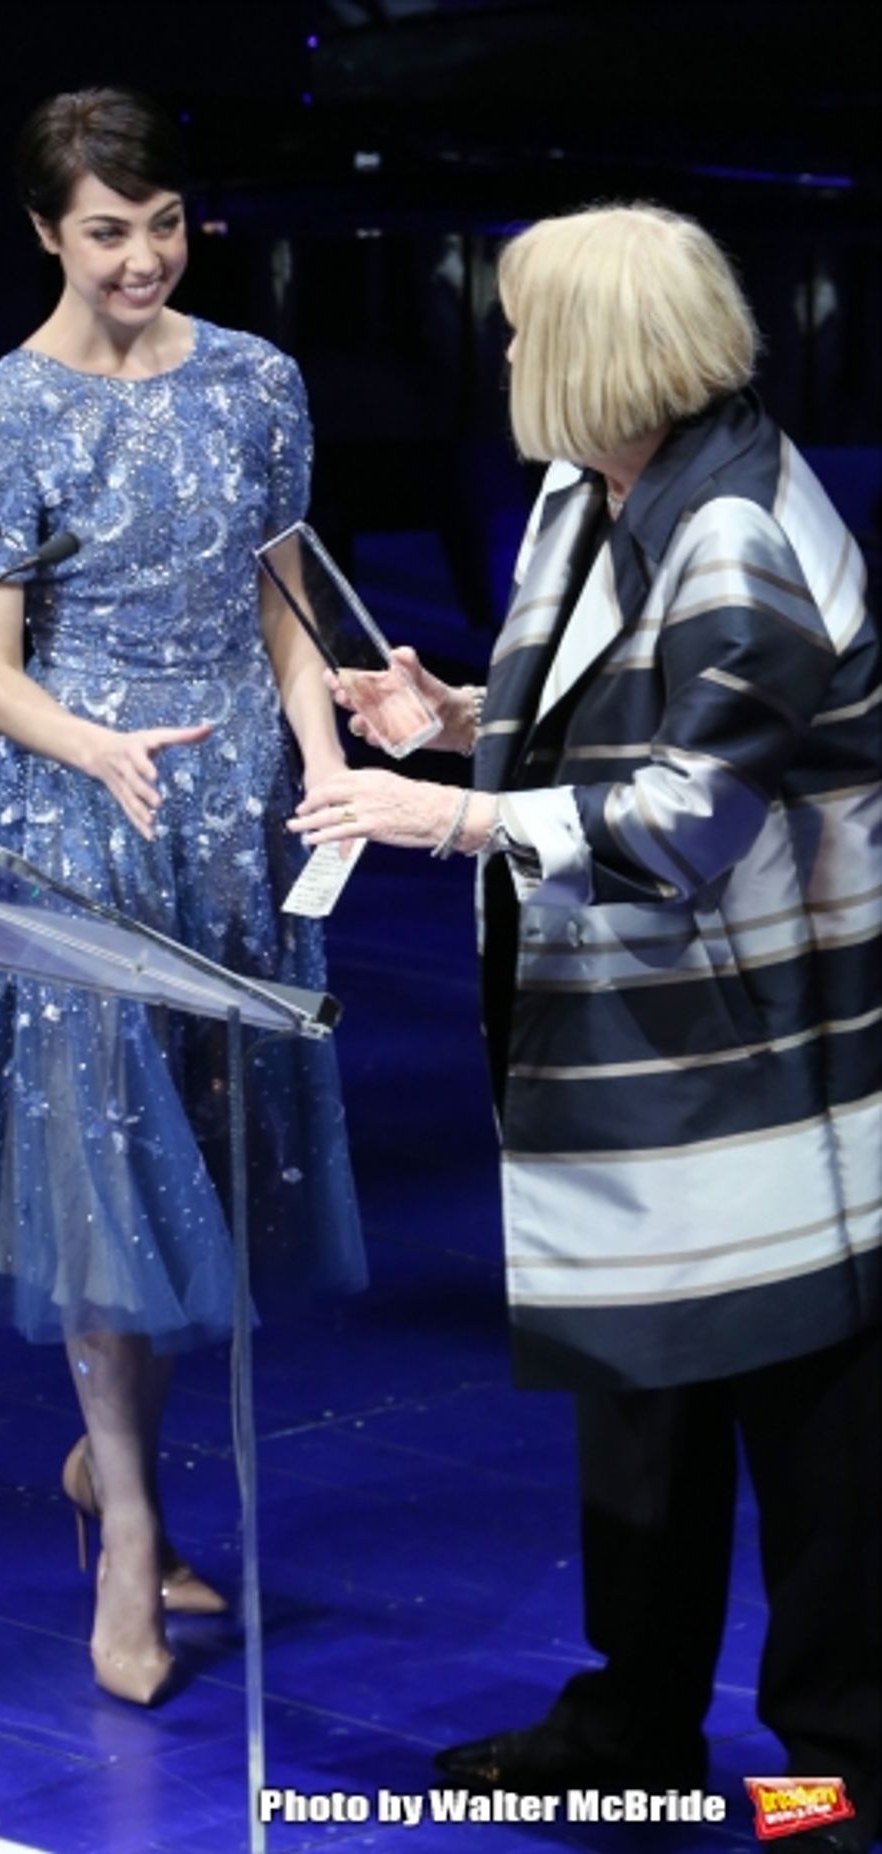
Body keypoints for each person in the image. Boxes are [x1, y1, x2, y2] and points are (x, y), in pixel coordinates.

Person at [294, 204, 880, 1849]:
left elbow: (690, 813)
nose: (500, 354)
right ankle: (632, 1725)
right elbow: (598, 716)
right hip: (631, 1049)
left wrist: (452, 818)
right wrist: (455, 720)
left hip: (766, 1065)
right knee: (640, 1407)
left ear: (597, 355)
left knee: (810, 1452)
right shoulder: (589, 488)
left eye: (521, 330)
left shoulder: (741, 537)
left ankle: (833, 1784)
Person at [0, 87, 365, 1708]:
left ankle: (108, 1474)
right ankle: (129, 1532)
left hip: (228, 816)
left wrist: (322, 753)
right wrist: (98, 745)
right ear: (46, 231)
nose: (142, 257)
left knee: (193, 1180)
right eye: (107, 231)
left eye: (164, 224)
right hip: (85, 818)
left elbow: (284, 598)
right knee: (107, 1183)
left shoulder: (256, 381)